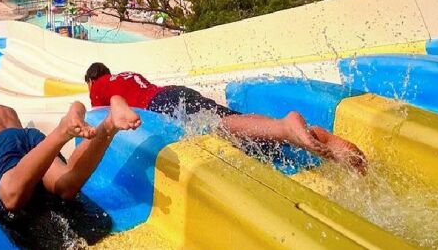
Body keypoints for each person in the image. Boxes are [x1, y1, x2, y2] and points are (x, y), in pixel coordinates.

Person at [84, 63, 367, 173]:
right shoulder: (129, 75)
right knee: (233, 126)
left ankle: (284, 128)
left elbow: (104, 112)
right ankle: (314, 136)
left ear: (91, 80)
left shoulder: (99, 85)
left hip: (163, 104)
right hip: (175, 93)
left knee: (220, 127)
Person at [0, 79, 142, 211]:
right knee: (66, 185)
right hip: (29, 137)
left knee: (12, 196)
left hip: (1, 144)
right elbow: (25, 154)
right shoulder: (7, 110)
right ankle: (109, 124)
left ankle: (62, 130)